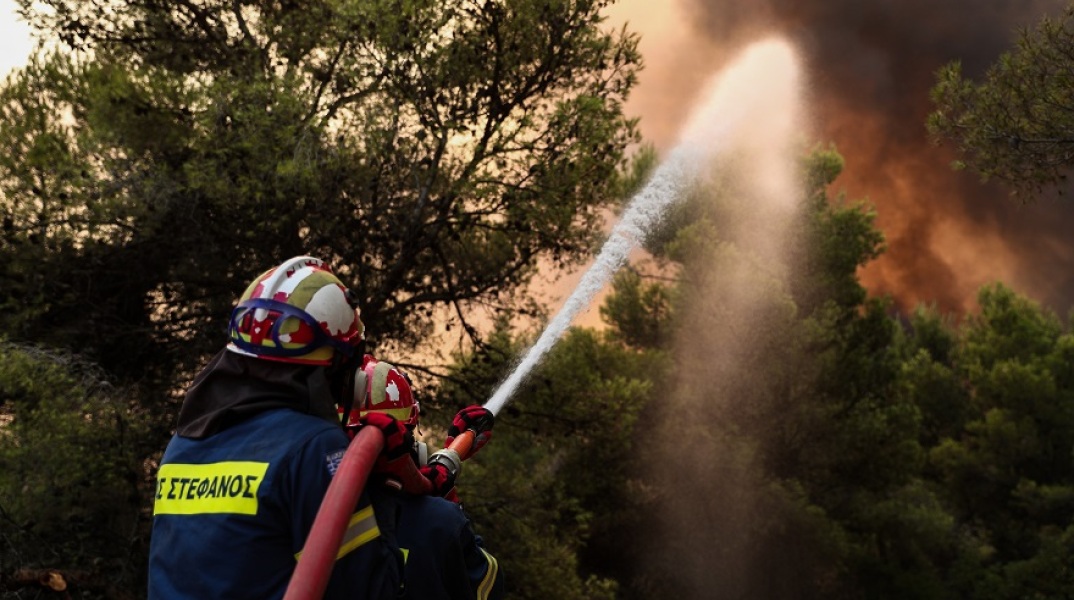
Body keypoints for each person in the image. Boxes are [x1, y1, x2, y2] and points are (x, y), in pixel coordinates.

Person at [148, 256, 408, 600]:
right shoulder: (316, 447)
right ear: (333, 365)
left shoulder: (181, 446)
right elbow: (365, 588)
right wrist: (384, 490)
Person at [343, 355, 505, 600]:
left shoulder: (308, 507)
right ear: (408, 440)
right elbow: (488, 587)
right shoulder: (439, 522)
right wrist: (446, 497)